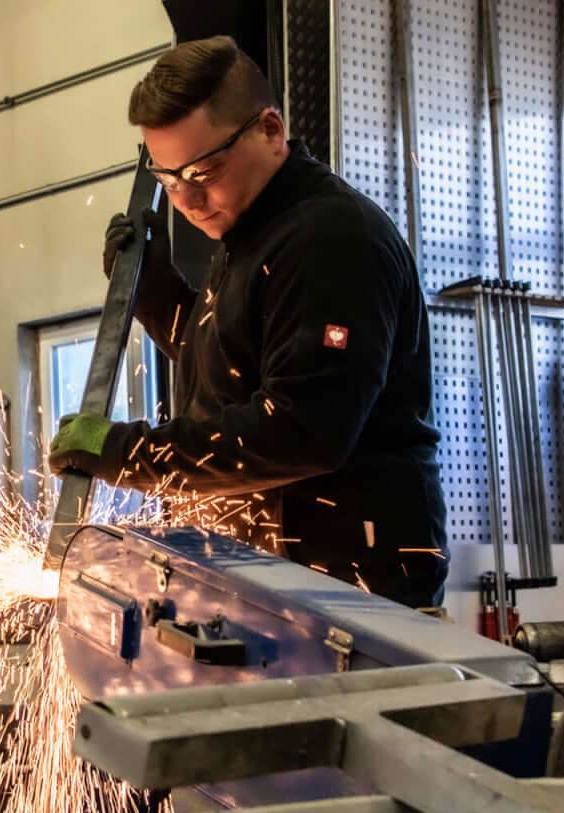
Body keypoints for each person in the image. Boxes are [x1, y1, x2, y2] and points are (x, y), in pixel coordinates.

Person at [47, 36, 448, 608]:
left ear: (270, 130)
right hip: (272, 597)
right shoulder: (247, 233)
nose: (187, 198)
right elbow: (236, 369)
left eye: (203, 170)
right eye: (167, 178)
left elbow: (301, 430)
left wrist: (129, 454)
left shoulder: (329, 240)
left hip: (354, 607)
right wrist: (158, 296)